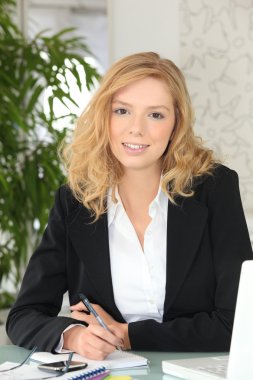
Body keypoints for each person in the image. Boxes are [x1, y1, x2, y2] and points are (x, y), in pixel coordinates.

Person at [6, 52, 253, 360]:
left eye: (156, 115)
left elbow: (239, 324)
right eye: (122, 110)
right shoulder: (75, 201)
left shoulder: (214, 189)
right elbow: (23, 316)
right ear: (104, 117)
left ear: (176, 123)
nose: (136, 129)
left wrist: (127, 335)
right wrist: (74, 337)